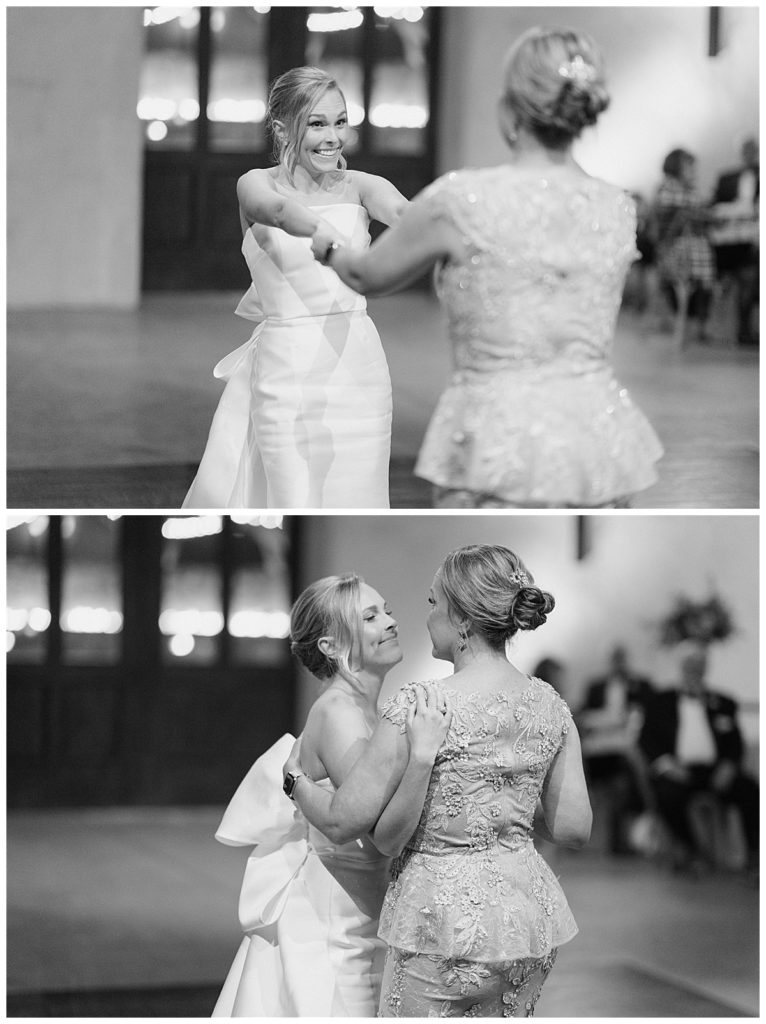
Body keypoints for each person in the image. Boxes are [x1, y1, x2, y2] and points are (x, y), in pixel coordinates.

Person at [310, 28, 663, 509]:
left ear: (510, 113)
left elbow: (367, 275)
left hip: (496, 438)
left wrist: (328, 246)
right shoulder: (618, 206)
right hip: (597, 439)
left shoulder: (462, 199)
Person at [285, 545, 591, 1016]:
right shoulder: (550, 705)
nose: (425, 617)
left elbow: (380, 836)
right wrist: (504, 811)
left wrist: (296, 779)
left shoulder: (420, 706)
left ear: (463, 621)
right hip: (528, 919)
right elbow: (573, 829)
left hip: (439, 922)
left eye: (433, 604)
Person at [213, 573, 449, 1016]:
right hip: (329, 922)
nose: (391, 623)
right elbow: (350, 822)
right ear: (328, 646)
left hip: (356, 914)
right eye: (370, 617)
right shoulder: (339, 711)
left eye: (387, 611)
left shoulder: (366, 709)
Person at [183, 67, 408, 509]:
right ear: (283, 128)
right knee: (295, 496)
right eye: (317, 124)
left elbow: (406, 214)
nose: (333, 137)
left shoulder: (361, 186)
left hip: (358, 369)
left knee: (360, 497)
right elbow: (277, 211)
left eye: (340, 122)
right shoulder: (255, 182)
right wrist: (321, 235)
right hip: (287, 368)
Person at [638, 641, 759, 874]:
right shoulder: (659, 702)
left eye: (700, 665)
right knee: (667, 794)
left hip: (715, 770)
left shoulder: (724, 703)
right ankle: (691, 852)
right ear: (681, 667)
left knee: (750, 790)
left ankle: (754, 855)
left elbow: (735, 743)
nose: (695, 670)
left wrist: (729, 766)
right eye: (690, 665)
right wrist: (666, 765)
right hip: (677, 769)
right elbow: (646, 740)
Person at [577, 645, 655, 854]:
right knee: (625, 775)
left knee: (631, 771)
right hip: (600, 754)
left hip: (628, 748)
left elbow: (646, 718)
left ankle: (642, 818)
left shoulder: (640, 685)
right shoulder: (596, 687)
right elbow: (584, 719)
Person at [652, 148, 716, 343]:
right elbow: (671, 215)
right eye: (689, 167)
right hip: (675, 248)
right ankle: (686, 320)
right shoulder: (668, 189)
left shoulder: (690, 190)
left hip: (692, 246)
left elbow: (698, 211)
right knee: (690, 268)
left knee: (705, 272)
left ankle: (697, 322)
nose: (693, 171)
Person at [711, 136, 759, 346]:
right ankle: (719, 330)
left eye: (754, 149)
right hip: (726, 241)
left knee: (749, 281)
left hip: (752, 241)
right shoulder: (727, 178)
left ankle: (744, 330)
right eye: (746, 149)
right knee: (724, 284)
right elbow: (714, 206)